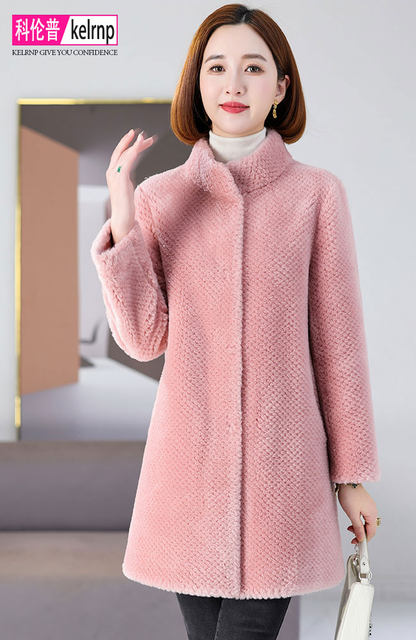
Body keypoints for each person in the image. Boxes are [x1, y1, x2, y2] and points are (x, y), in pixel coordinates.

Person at [90, 4, 382, 639]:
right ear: (197, 84)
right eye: (217, 67)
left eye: (253, 68)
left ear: (280, 88)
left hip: (284, 474)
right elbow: (142, 338)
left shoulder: (316, 195)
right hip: (188, 477)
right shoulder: (161, 198)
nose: (234, 84)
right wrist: (124, 219)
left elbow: (339, 346)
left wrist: (351, 476)